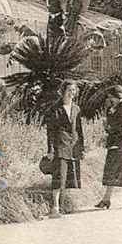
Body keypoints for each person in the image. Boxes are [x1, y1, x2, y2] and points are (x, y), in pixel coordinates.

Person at [95, 84, 122, 209]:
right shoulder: (115, 107)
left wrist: (110, 126)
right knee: (111, 171)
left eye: (111, 97)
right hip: (116, 143)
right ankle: (106, 199)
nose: (109, 100)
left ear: (117, 97)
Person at [45, 80, 85, 218]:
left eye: (74, 90)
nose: (72, 93)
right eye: (69, 90)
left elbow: (79, 129)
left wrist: (81, 147)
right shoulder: (54, 109)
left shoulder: (76, 109)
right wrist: (50, 150)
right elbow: (50, 131)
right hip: (60, 146)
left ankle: (64, 206)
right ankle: (54, 207)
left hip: (73, 146)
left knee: (69, 178)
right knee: (58, 177)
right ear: (62, 91)